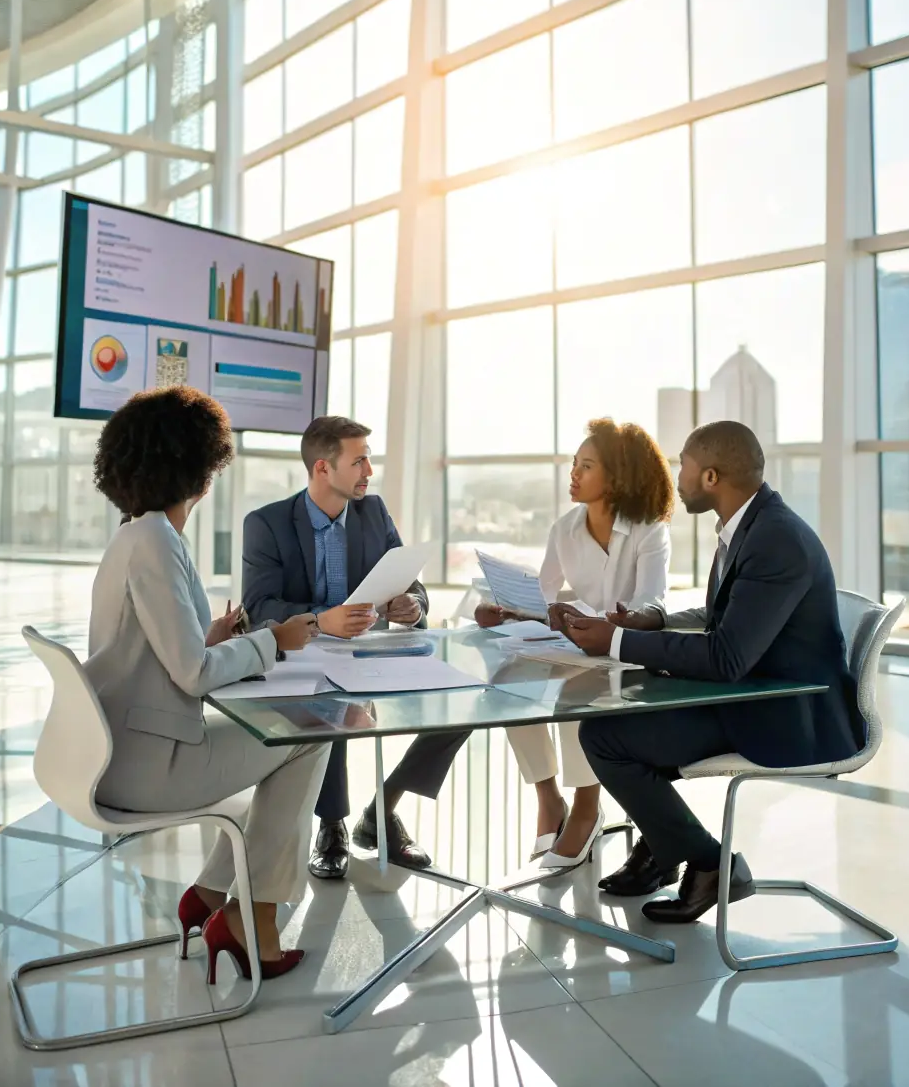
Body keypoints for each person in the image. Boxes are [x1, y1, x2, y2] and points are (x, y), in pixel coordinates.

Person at [564, 420, 864, 919]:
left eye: (683, 465)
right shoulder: (750, 526)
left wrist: (618, 640)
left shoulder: (775, 540)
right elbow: (724, 615)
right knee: (624, 720)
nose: (676, 477)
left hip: (785, 713)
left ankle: (710, 864)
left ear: (711, 477)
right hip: (759, 692)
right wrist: (655, 620)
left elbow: (726, 656)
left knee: (605, 737)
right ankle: (662, 849)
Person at [86, 386, 327, 982]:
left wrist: (215, 635)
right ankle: (248, 920)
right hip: (146, 764)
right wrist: (276, 641)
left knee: (287, 737)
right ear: (199, 468)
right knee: (314, 731)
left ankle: (214, 893)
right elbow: (191, 676)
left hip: (122, 746)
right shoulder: (156, 542)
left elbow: (168, 652)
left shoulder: (135, 535)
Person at [243, 415, 471, 880]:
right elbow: (259, 606)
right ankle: (332, 824)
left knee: (462, 704)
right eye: (359, 460)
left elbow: (413, 584)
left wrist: (412, 604)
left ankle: (383, 808)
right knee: (334, 703)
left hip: (369, 650)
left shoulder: (373, 512)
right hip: (305, 656)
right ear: (323, 468)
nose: (369, 470)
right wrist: (319, 620)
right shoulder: (266, 524)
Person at [476, 419, 673, 870]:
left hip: (628, 654)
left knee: (573, 685)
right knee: (507, 684)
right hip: (576, 647)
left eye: (587, 466)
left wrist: (613, 623)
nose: (574, 474)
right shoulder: (564, 528)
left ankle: (587, 805)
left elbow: (652, 604)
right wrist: (506, 609)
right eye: (574, 464)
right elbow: (544, 595)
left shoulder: (648, 530)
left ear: (617, 477)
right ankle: (549, 800)